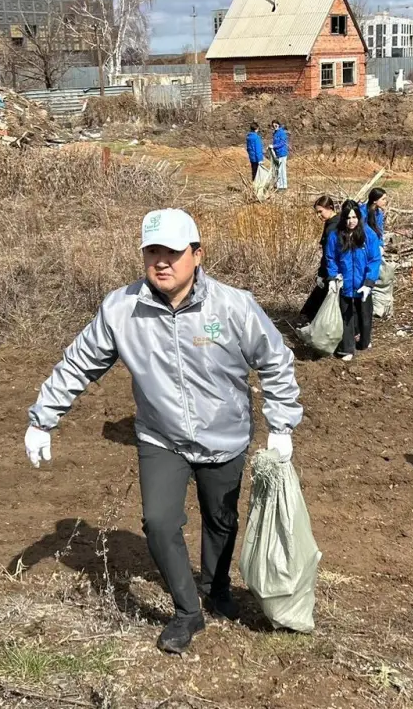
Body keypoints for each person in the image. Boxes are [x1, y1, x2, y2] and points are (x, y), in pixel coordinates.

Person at [25, 208, 303, 654]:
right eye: (152, 251)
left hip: (224, 434)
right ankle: (187, 611)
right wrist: (43, 418)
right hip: (162, 437)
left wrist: (282, 423)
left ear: (197, 254)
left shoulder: (232, 306)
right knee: (158, 522)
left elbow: (275, 359)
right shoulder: (122, 309)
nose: (162, 262)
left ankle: (216, 588)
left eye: (173, 252)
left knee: (221, 519)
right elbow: (79, 362)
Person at [324, 199, 381, 361]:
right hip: (345, 284)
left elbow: (374, 259)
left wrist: (369, 282)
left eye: (354, 217)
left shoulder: (368, 234)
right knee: (346, 316)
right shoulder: (335, 235)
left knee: (364, 314)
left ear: (359, 217)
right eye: (348, 218)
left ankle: (364, 341)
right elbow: (331, 258)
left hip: (363, 284)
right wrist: (333, 278)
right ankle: (347, 348)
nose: (351, 221)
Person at [300, 195, 340, 321]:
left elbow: (329, 254)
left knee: (319, 303)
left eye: (320, 212)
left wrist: (321, 273)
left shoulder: (333, 227)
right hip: (334, 268)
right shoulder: (334, 222)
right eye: (317, 213)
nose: (318, 216)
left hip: (332, 269)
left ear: (330, 208)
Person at [270, 120, 289, 191]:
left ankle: (284, 186)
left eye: (276, 125)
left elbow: (282, 143)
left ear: (278, 125)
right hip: (277, 154)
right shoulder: (275, 133)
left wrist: (274, 146)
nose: (275, 127)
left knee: (282, 170)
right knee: (278, 170)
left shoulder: (282, 133)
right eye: (273, 126)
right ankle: (279, 185)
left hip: (282, 153)